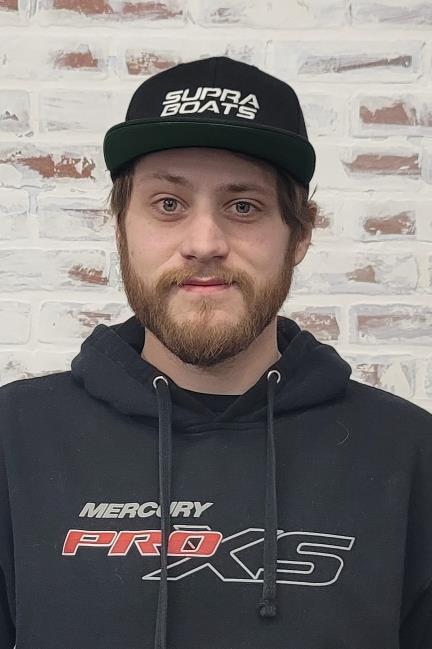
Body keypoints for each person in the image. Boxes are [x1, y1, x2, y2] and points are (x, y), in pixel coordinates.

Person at [0, 56, 431, 649]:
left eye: (243, 206)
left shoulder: (410, 454)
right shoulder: (14, 438)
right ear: (120, 226)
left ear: (300, 235)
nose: (204, 243)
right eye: (168, 204)